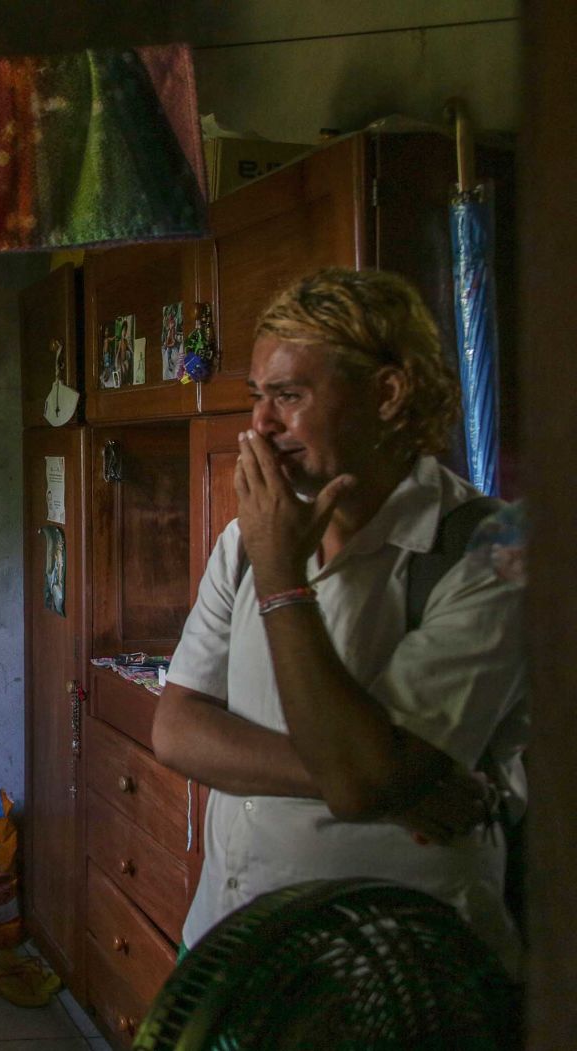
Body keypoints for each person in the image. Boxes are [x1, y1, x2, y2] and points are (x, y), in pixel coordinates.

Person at [151, 268, 527, 972]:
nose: (260, 424)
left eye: (289, 396)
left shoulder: (492, 552)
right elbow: (177, 728)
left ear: (388, 393)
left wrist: (282, 578)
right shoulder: (247, 540)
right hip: (229, 940)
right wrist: (375, 777)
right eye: (258, 397)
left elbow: (359, 777)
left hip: (390, 970)